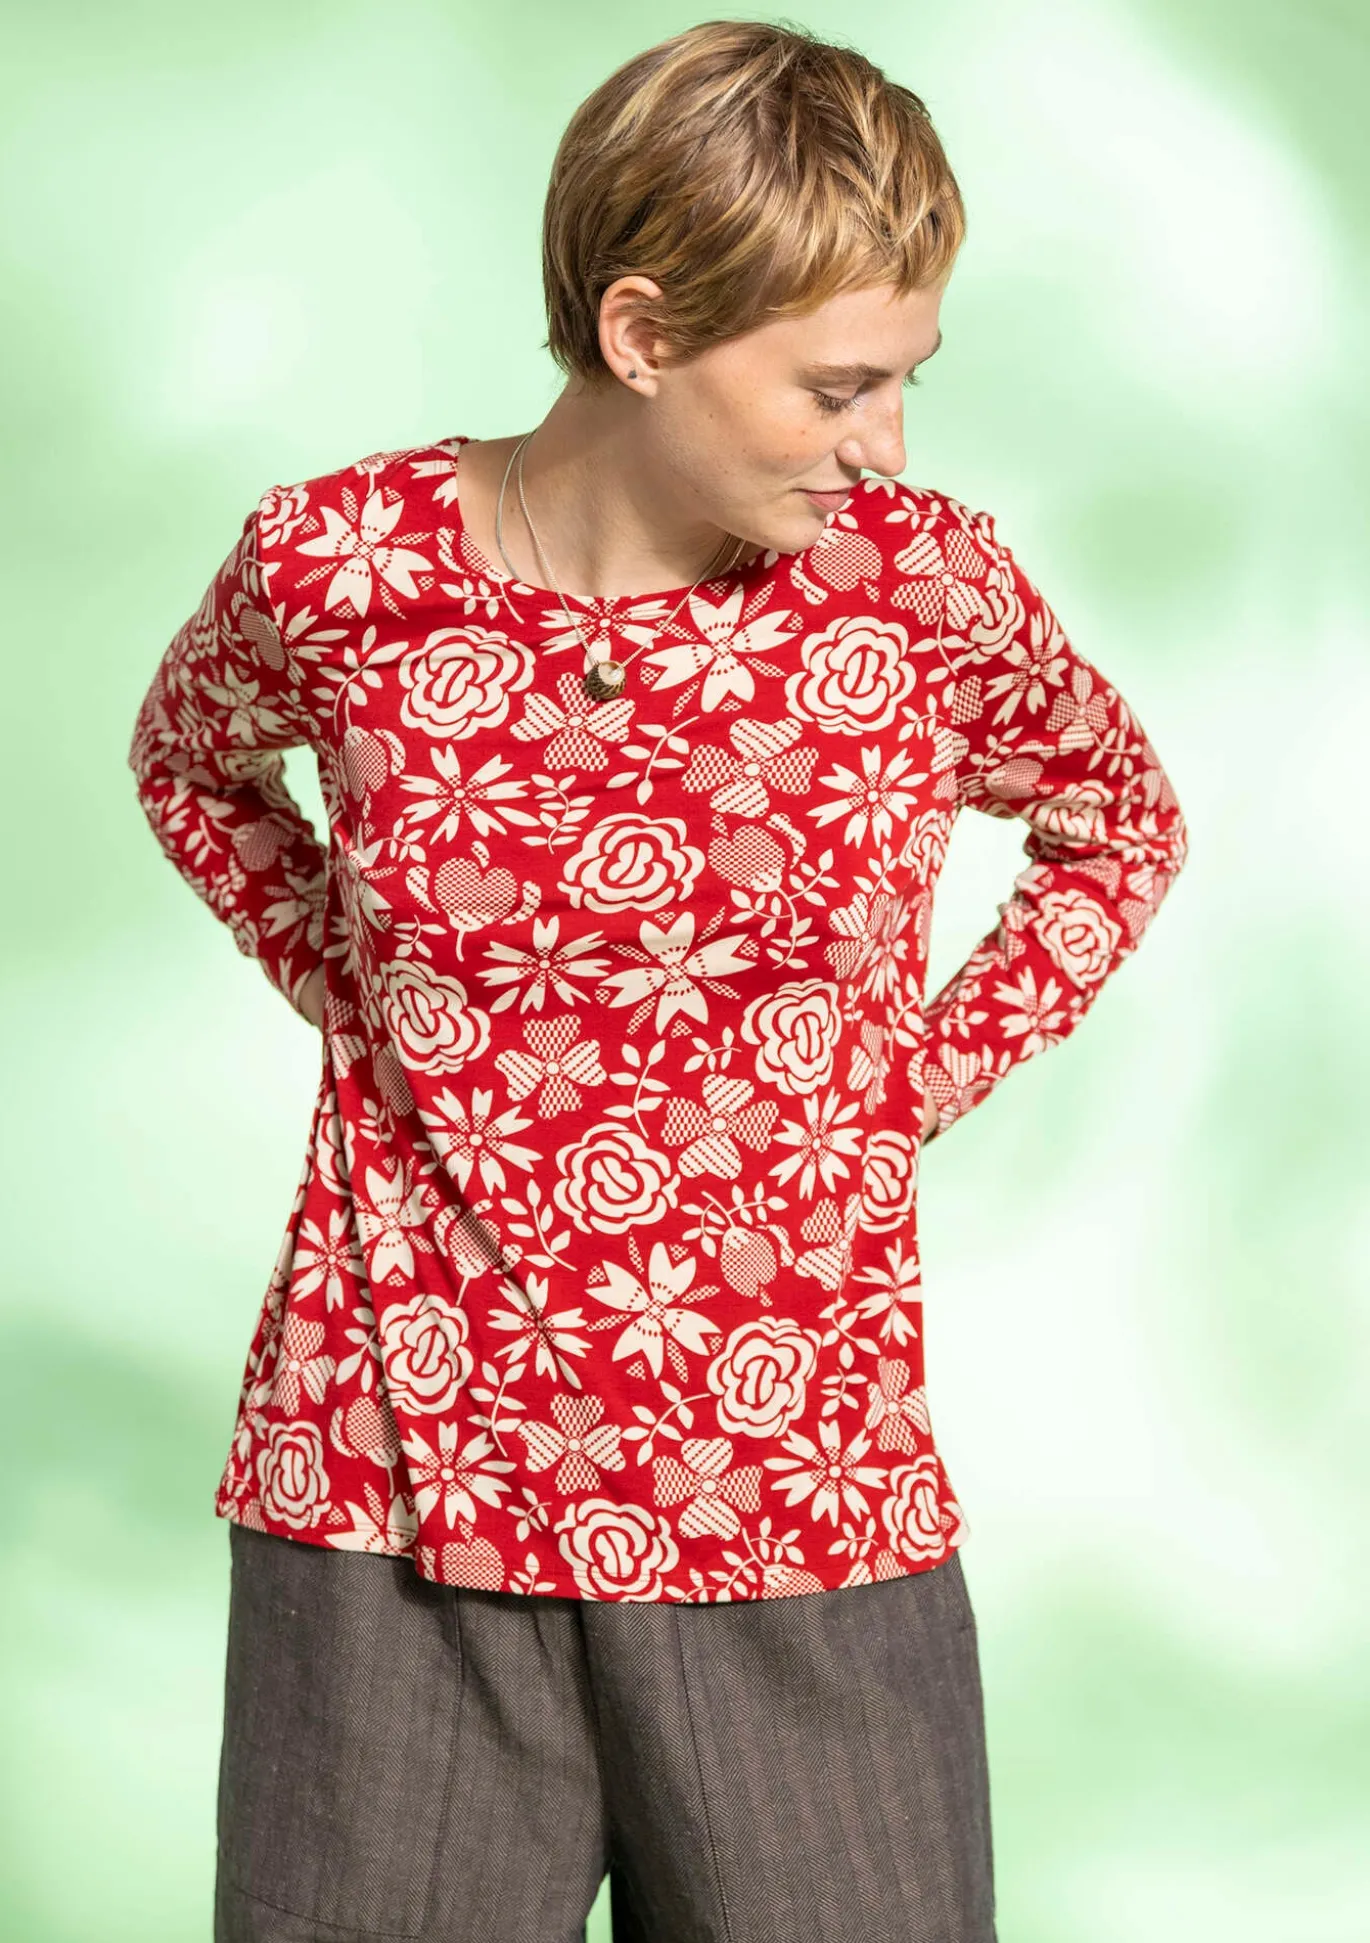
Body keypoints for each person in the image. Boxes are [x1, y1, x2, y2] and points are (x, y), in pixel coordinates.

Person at [127, 19, 1189, 1943]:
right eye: (839, 386)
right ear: (638, 333)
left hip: (799, 1484)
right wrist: (366, 1006)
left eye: (905, 378)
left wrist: (897, 1088)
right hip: (388, 1489)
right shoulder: (337, 565)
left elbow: (1117, 822)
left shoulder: (923, 590)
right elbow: (190, 763)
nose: (886, 443)